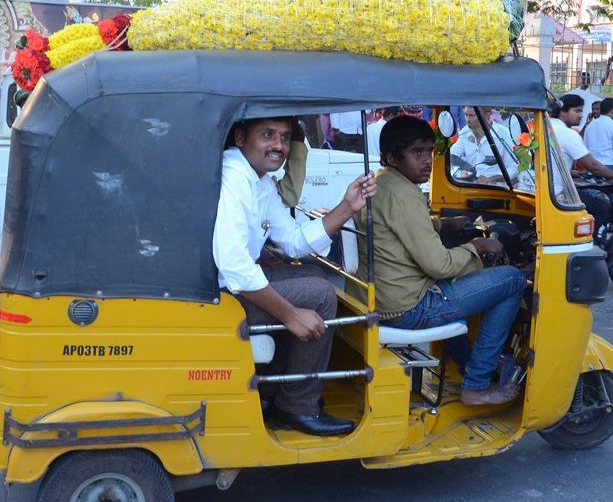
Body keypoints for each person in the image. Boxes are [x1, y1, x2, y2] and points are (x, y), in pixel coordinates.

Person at [213, 116, 377, 435]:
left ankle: (273, 393)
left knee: (315, 273)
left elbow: (292, 241)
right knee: (320, 294)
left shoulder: (258, 179)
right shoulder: (234, 177)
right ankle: (297, 406)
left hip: (230, 284)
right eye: (268, 135)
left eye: (285, 137)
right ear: (241, 137)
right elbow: (235, 268)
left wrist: (346, 207)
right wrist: (290, 315)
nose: (279, 145)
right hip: (220, 295)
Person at [355, 115, 526, 405]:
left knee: (455, 287)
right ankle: (477, 383)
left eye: (429, 152)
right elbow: (439, 265)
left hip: (382, 300)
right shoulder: (405, 194)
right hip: (410, 308)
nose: (426, 161)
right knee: (512, 280)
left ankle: (467, 364)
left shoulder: (383, 183)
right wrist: (477, 245)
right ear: (392, 158)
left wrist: (442, 225)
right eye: (416, 153)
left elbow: (400, 230)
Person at [550, 94, 613, 224]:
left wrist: (573, 172)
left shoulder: (546, 127)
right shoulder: (568, 134)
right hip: (558, 191)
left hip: (544, 187)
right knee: (601, 208)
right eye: (577, 111)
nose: (581, 115)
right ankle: (590, 242)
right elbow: (593, 166)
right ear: (563, 112)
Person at [449, 106, 516, 184]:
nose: (467, 120)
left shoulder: (503, 134)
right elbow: (452, 155)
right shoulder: (465, 132)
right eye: (466, 115)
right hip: (469, 185)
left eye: (472, 115)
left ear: (487, 115)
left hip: (495, 189)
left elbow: (514, 168)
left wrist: (491, 179)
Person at [583, 98, 613, 166]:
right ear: (612, 110)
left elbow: (585, 149)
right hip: (609, 168)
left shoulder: (589, 126)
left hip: (592, 168)